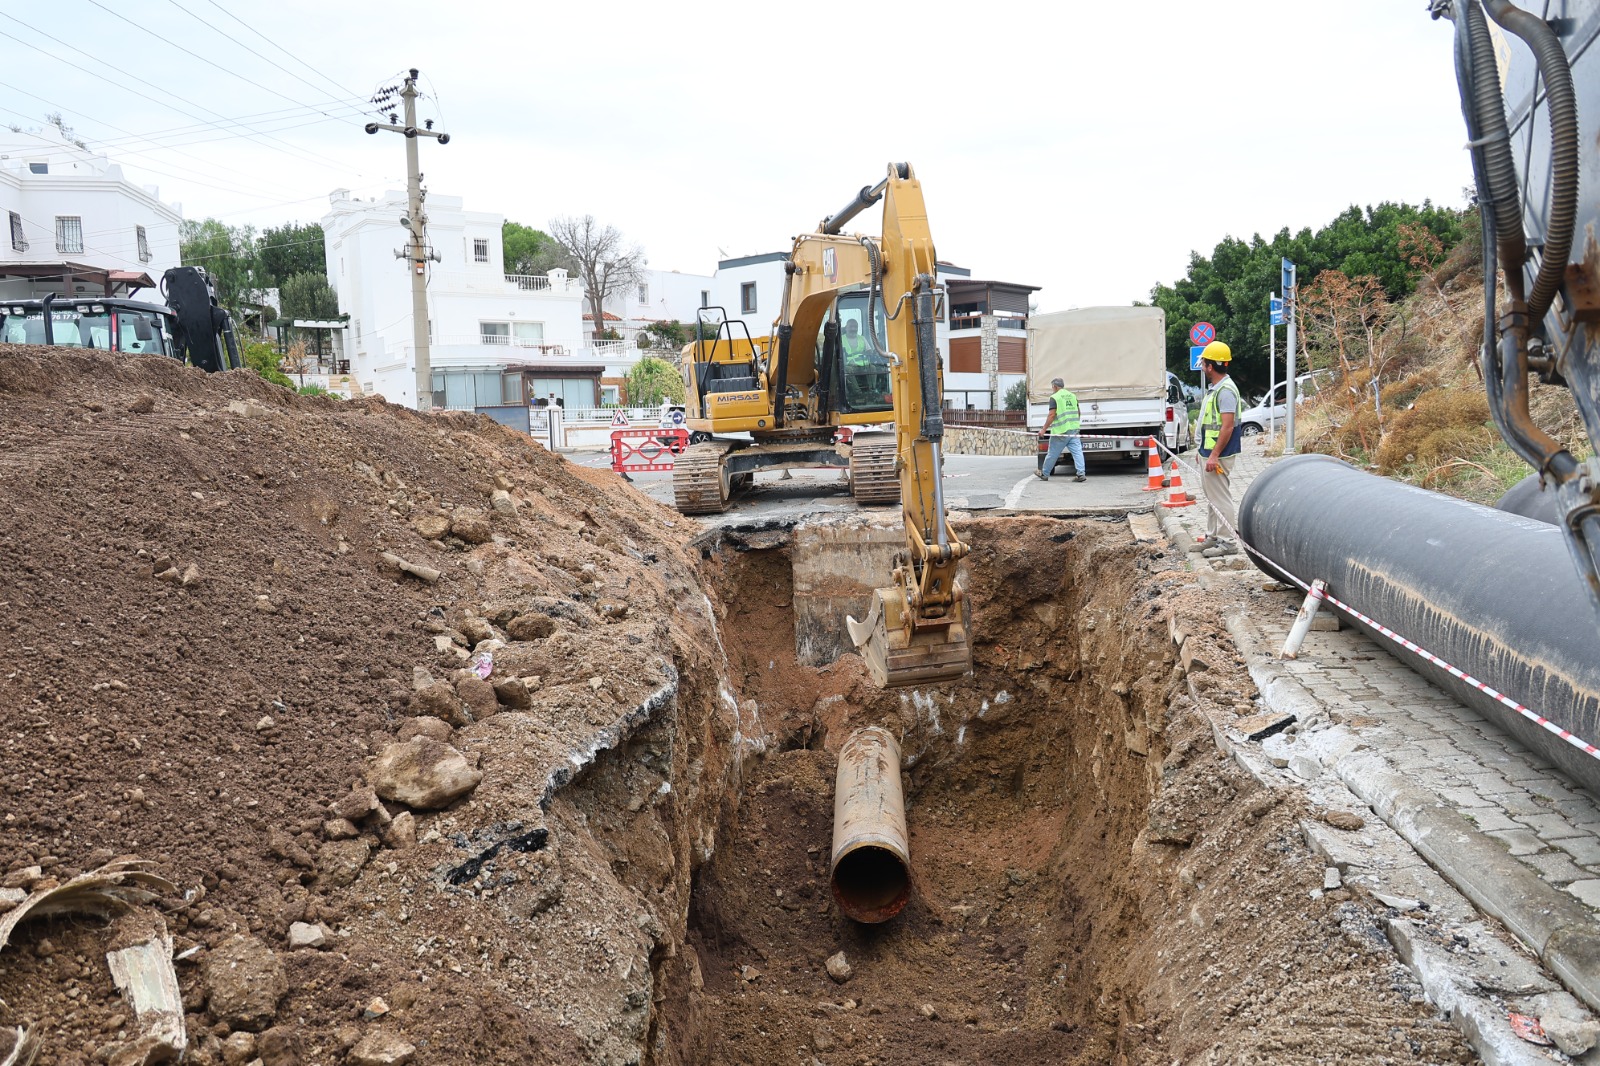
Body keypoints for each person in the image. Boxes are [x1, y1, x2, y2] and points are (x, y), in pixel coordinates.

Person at [1196, 340, 1243, 557]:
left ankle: (1228, 542)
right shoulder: (1216, 390)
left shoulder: (1225, 391)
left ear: (1210, 366)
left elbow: (1227, 426)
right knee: (1212, 498)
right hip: (1209, 452)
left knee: (1220, 499)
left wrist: (1214, 455)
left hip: (1219, 455)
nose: (1202, 366)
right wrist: (1202, 452)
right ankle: (1212, 536)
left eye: (1204, 363)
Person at [1036, 376, 1086, 482]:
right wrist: (1075, 423)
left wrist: (1043, 429)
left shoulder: (1055, 397)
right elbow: (1078, 412)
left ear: (1054, 386)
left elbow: (1051, 415)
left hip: (1061, 431)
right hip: (1073, 430)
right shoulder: (1072, 396)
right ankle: (1081, 474)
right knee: (1077, 452)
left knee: (1052, 453)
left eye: (1052, 387)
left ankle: (1045, 474)